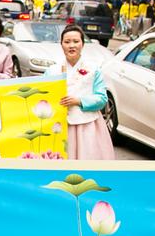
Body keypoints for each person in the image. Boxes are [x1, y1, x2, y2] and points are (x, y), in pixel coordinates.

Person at [44, 25, 113, 159]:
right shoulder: (52, 70)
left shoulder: (93, 70)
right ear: (61, 44)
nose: (72, 45)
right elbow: (44, 96)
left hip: (87, 125)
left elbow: (102, 99)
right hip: (59, 125)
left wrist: (79, 101)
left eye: (76, 41)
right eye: (67, 42)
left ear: (82, 44)